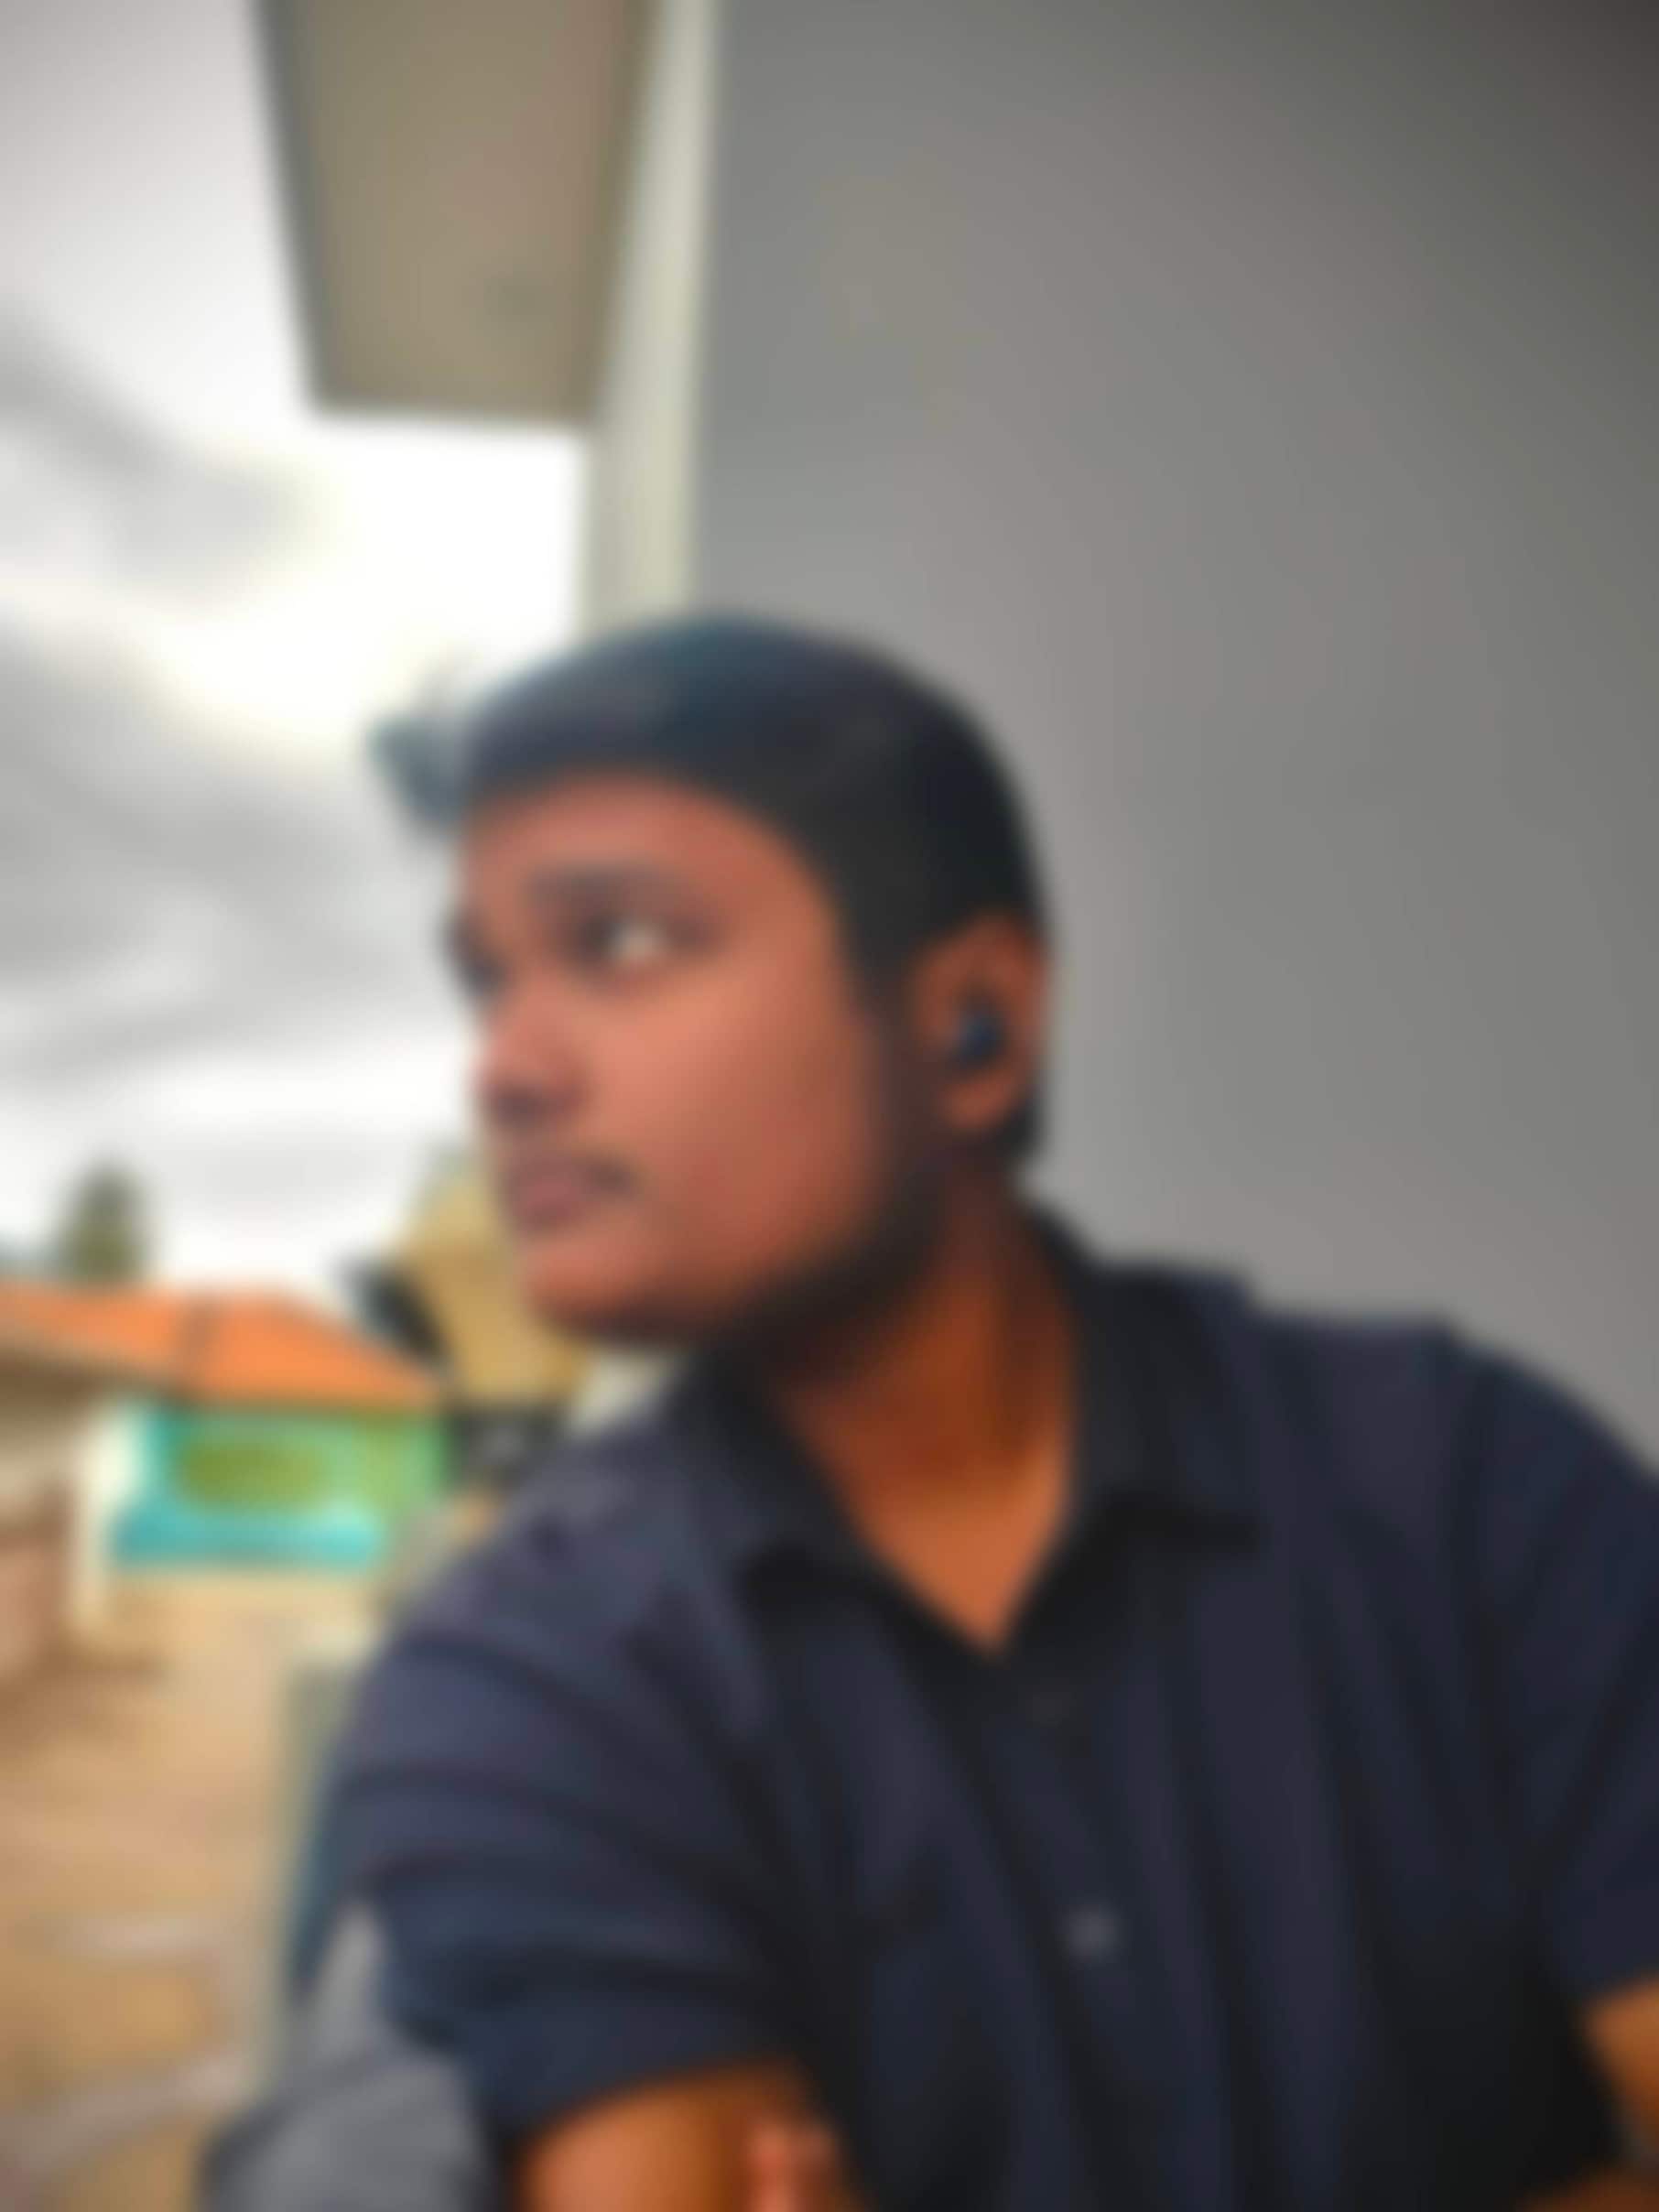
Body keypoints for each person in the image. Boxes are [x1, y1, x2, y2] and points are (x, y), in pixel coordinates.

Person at [245, 616, 1659, 2209]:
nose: (503, 1070)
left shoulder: (1467, 1490)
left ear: (974, 1020)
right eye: (486, 982)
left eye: (619, 943)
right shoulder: (519, 1672)